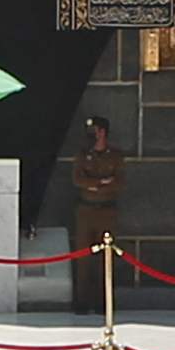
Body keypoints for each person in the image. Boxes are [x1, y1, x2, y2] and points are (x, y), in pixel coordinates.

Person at [64, 115, 125, 312]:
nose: (91, 134)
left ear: (103, 132)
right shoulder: (83, 155)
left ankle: (102, 303)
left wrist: (95, 185)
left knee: (104, 260)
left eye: (95, 130)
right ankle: (82, 303)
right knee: (83, 259)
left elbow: (119, 182)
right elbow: (78, 180)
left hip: (106, 211)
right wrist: (100, 183)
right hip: (85, 211)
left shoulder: (115, 155)